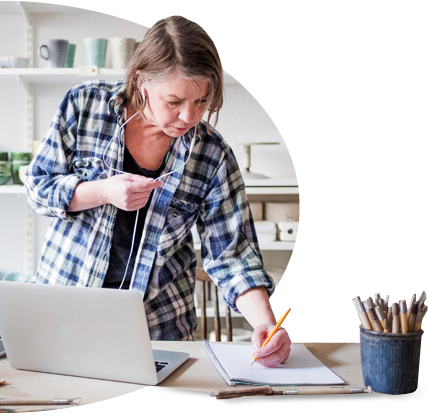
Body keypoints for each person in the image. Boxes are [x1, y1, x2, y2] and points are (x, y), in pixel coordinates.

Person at [24, 15, 291, 367]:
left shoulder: (212, 154)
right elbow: (38, 187)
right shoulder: (84, 107)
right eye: (174, 101)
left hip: (161, 327)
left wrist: (265, 325)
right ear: (142, 82)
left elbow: (233, 255)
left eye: (201, 101)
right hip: (66, 312)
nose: (189, 116)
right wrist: (102, 191)